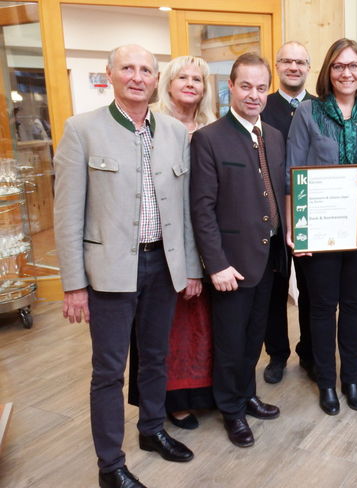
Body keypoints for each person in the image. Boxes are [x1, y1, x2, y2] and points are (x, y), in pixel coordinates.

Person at [53, 44, 202, 488]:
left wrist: (191, 267)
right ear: (110, 75)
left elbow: (184, 209)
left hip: (162, 266)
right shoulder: (81, 130)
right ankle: (110, 465)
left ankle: (152, 429)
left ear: (157, 79)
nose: (137, 77)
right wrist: (73, 284)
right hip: (109, 271)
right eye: (127, 69)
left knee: (156, 357)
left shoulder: (175, 132)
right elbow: (67, 213)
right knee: (108, 370)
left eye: (146, 70)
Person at [286, 38, 357, 415]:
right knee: (321, 306)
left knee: (355, 305)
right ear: (328, 72)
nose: (346, 72)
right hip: (319, 226)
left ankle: (350, 378)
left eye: (354, 65)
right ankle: (326, 382)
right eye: (338, 66)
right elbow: (292, 173)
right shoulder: (308, 113)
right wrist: (295, 229)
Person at [190, 52, 287, 448]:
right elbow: (202, 208)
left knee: (253, 338)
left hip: (268, 259)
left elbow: (276, 192)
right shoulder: (208, 138)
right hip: (231, 264)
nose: (254, 94)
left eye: (261, 87)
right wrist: (216, 265)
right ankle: (230, 409)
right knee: (230, 343)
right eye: (245, 86)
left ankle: (246, 395)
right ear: (230, 86)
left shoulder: (274, 136)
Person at [127, 55, 217, 430]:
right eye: (183, 77)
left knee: (206, 322)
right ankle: (171, 399)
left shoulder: (214, 128)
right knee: (168, 326)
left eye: (198, 78)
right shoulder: (152, 126)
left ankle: (206, 392)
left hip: (208, 236)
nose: (191, 84)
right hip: (164, 237)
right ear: (167, 82)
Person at [260, 41, 316, 384]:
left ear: (309, 67)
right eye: (286, 61)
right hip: (272, 216)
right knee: (274, 290)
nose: (293, 67)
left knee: (312, 289)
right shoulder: (261, 106)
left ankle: (309, 353)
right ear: (277, 66)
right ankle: (277, 354)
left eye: (300, 61)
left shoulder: (321, 108)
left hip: (313, 212)